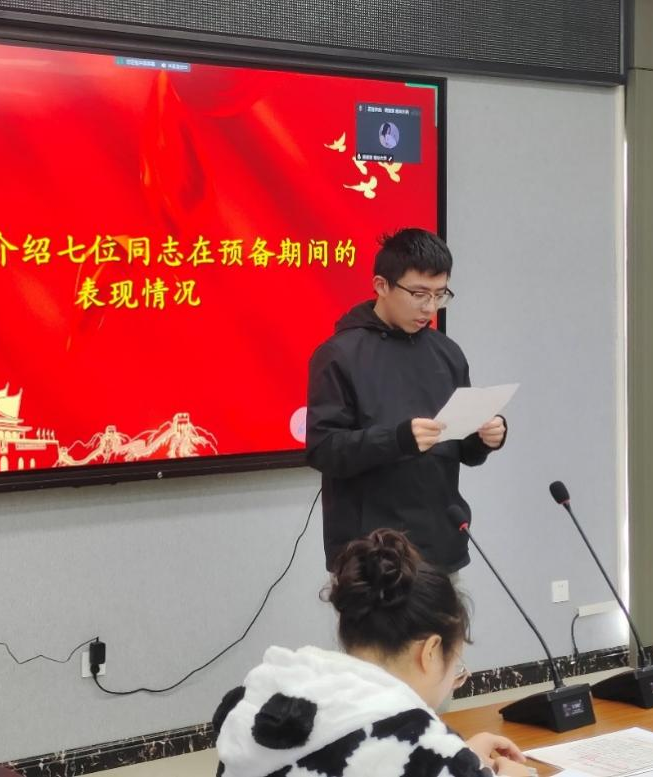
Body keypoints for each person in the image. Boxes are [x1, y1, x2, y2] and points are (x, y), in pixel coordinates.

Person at [213, 529, 534, 777]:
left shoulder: (265, 703)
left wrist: (458, 756)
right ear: (430, 651)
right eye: (456, 667)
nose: (453, 678)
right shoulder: (418, 744)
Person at [306, 228, 506, 573]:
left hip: (440, 544)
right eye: (418, 294)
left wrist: (484, 438)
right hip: (371, 553)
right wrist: (398, 439)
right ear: (381, 285)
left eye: (440, 295)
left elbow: (463, 450)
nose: (430, 308)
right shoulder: (339, 355)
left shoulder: (447, 352)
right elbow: (324, 450)